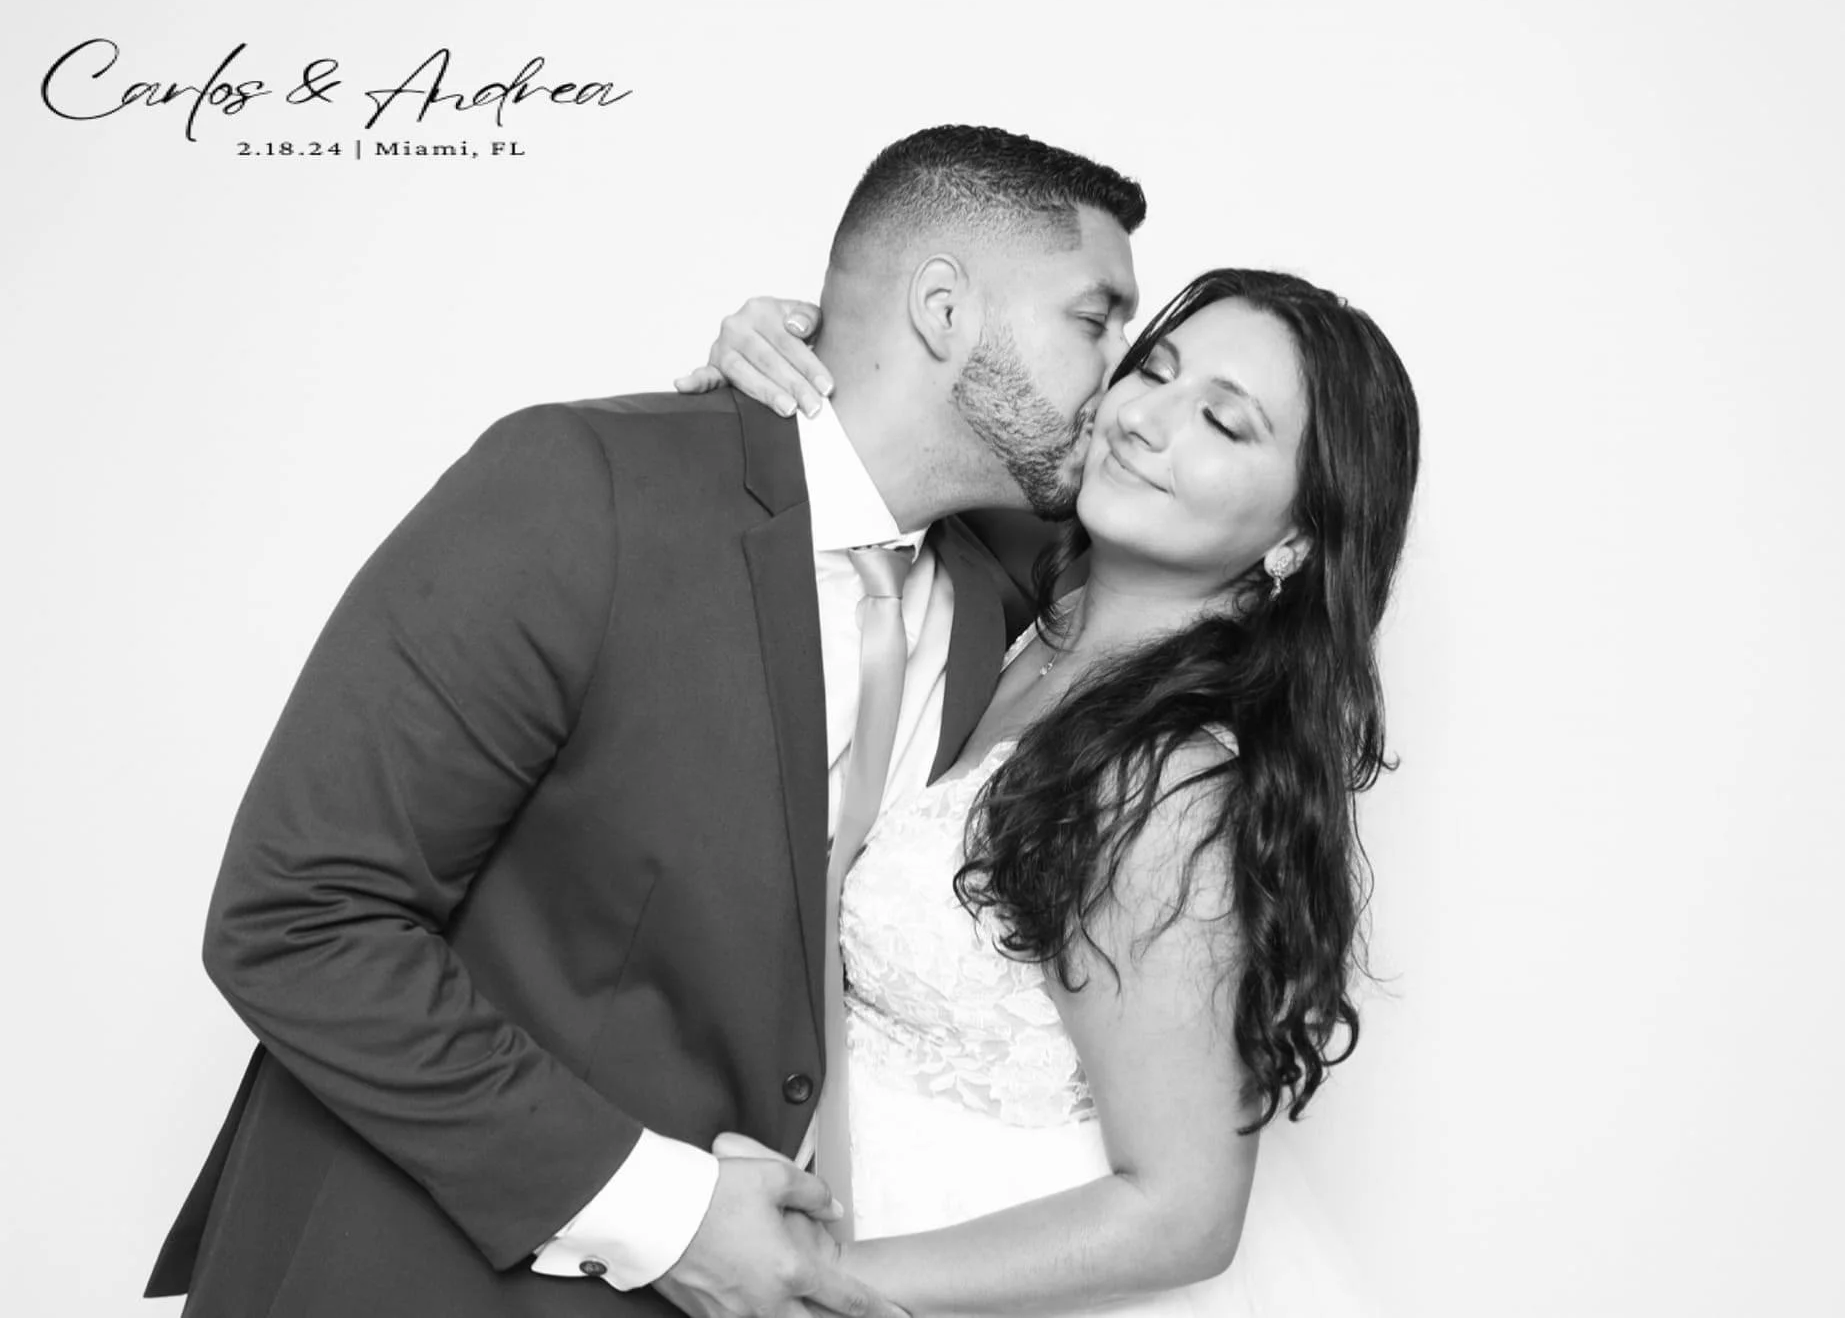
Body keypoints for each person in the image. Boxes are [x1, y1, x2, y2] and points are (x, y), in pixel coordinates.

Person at [144, 124, 1147, 1317]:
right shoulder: (581, 488)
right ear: (943, 310)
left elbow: (1225, 483)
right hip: (412, 1272)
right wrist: (663, 1218)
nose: (1127, 378)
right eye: (1098, 321)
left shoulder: (1009, 579)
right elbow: (296, 916)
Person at [681, 265, 1420, 1313]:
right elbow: (890, 455)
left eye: (1221, 420)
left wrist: (814, 1284)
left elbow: (1182, 1214)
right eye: (1150, 371)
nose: (1146, 423)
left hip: (955, 1267)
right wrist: (786, 355)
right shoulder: (1020, 607)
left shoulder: (1166, 786)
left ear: (1298, 537)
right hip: (841, 1186)